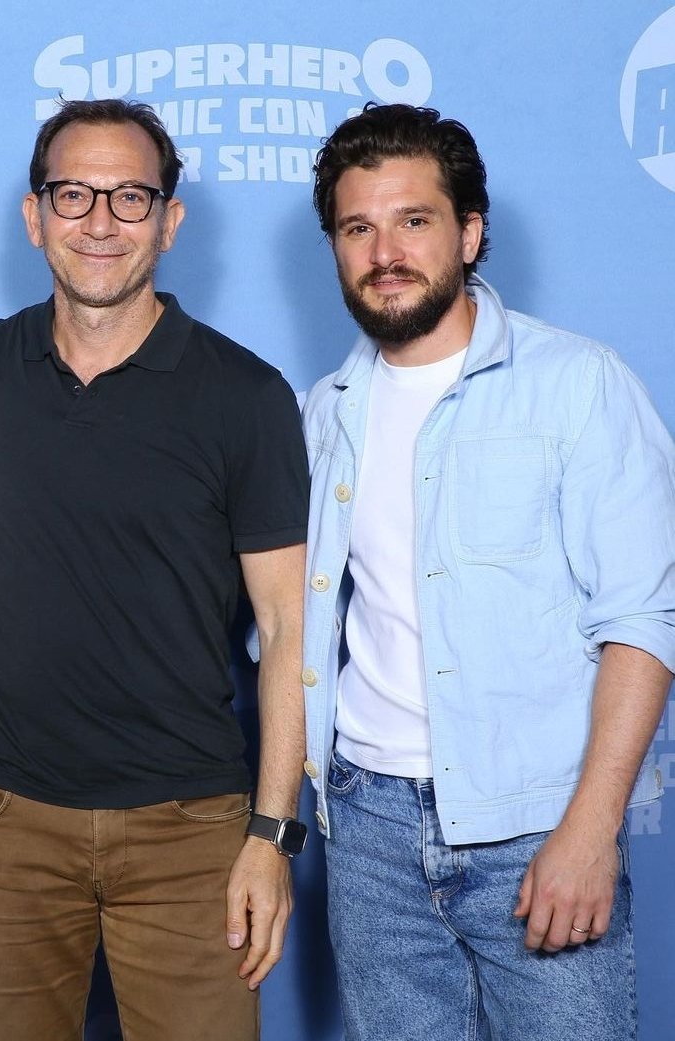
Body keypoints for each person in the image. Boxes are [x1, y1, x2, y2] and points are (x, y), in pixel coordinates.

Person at [0, 98, 309, 1041]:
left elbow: (289, 629)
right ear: (34, 215)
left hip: (190, 830)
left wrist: (270, 835)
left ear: (171, 221)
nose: (99, 221)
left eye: (130, 197)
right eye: (73, 194)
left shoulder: (247, 396)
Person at [301, 102, 675, 1040]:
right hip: (367, 830)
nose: (385, 249)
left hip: (536, 826)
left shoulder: (579, 383)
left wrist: (590, 831)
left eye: (414, 220)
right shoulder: (326, 409)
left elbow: (644, 615)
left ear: (469, 232)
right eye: (358, 227)